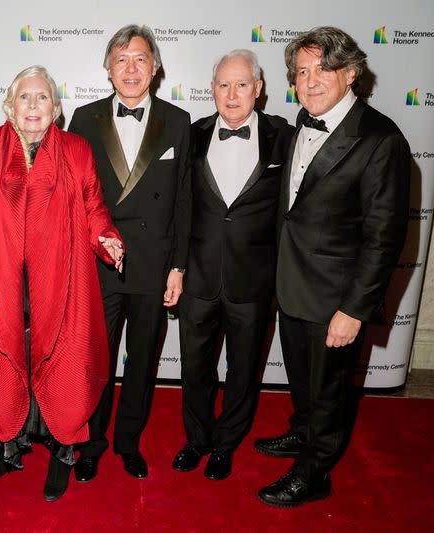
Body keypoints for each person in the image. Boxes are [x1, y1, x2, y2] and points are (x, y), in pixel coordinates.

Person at [255, 26, 410, 507]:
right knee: (303, 382)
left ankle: (315, 472)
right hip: (293, 286)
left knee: (330, 391)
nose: (311, 80)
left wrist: (354, 309)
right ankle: (303, 433)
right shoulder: (296, 125)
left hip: (336, 299)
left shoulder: (380, 139)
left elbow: (383, 238)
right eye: (302, 72)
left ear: (350, 73)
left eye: (323, 69)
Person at [0, 65, 124, 502]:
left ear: (56, 107)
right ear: (11, 105)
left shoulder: (76, 149)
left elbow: (93, 206)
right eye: (25, 98)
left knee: (64, 363)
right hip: (2, 279)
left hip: (62, 278)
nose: (33, 106)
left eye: (43, 98)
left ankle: (63, 450)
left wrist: (106, 238)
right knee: (6, 362)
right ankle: (8, 445)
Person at [68, 24, 191, 481]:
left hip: (154, 265)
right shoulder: (83, 119)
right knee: (96, 359)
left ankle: (127, 443)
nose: (131, 68)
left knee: (143, 361)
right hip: (99, 264)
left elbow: (183, 201)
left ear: (155, 68)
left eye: (140, 59)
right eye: (121, 60)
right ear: (107, 69)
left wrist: (178, 266)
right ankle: (92, 444)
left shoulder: (178, 122)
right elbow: (72, 198)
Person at [173, 49, 295, 481]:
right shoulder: (193, 134)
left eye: (241, 84)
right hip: (199, 276)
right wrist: (176, 266)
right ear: (212, 90)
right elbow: (179, 206)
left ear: (258, 90)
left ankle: (226, 445)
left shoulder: (285, 136)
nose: (231, 93)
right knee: (194, 367)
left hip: (254, 281)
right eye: (223, 84)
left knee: (243, 371)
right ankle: (196, 440)